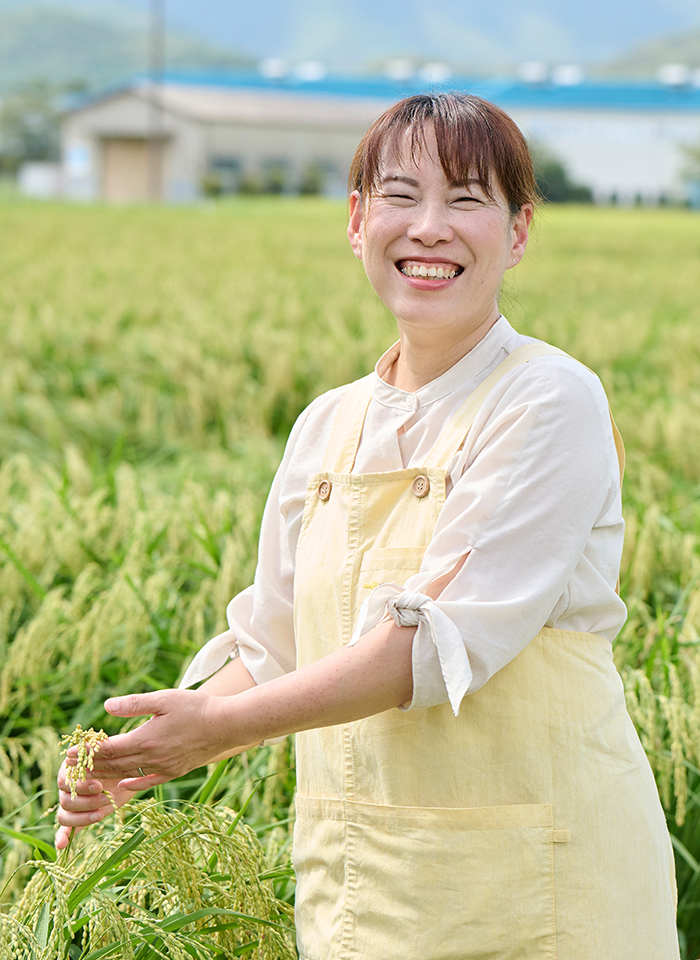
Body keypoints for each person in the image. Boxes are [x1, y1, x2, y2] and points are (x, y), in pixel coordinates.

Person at [57, 93, 679, 959]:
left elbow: (427, 646)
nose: (430, 228)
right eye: (400, 196)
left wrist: (217, 734)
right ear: (357, 221)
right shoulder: (327, 424)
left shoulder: (547, 398)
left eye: (467, 200)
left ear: (520, 230)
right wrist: (149, 749)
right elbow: (273, 641)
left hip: (548, 892)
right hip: (367, 893)